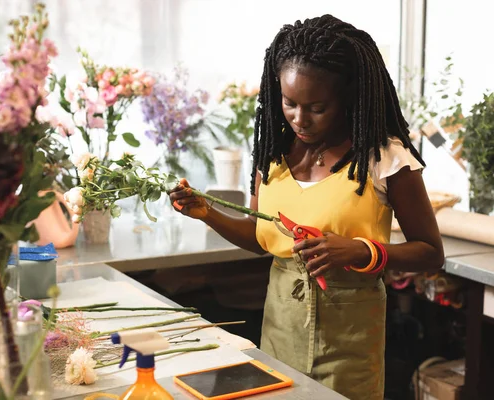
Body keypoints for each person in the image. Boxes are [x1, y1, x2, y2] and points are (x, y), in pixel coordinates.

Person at [169, 15, 444, 400]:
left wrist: (361, 251)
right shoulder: (272, 155)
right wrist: (207, 213)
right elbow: (261, 238)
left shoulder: (385, 158)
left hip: (349, 343)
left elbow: (431, 254)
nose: (300, 119)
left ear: (347, 96)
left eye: (317, 107)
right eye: (289, 103)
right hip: (279, 332)